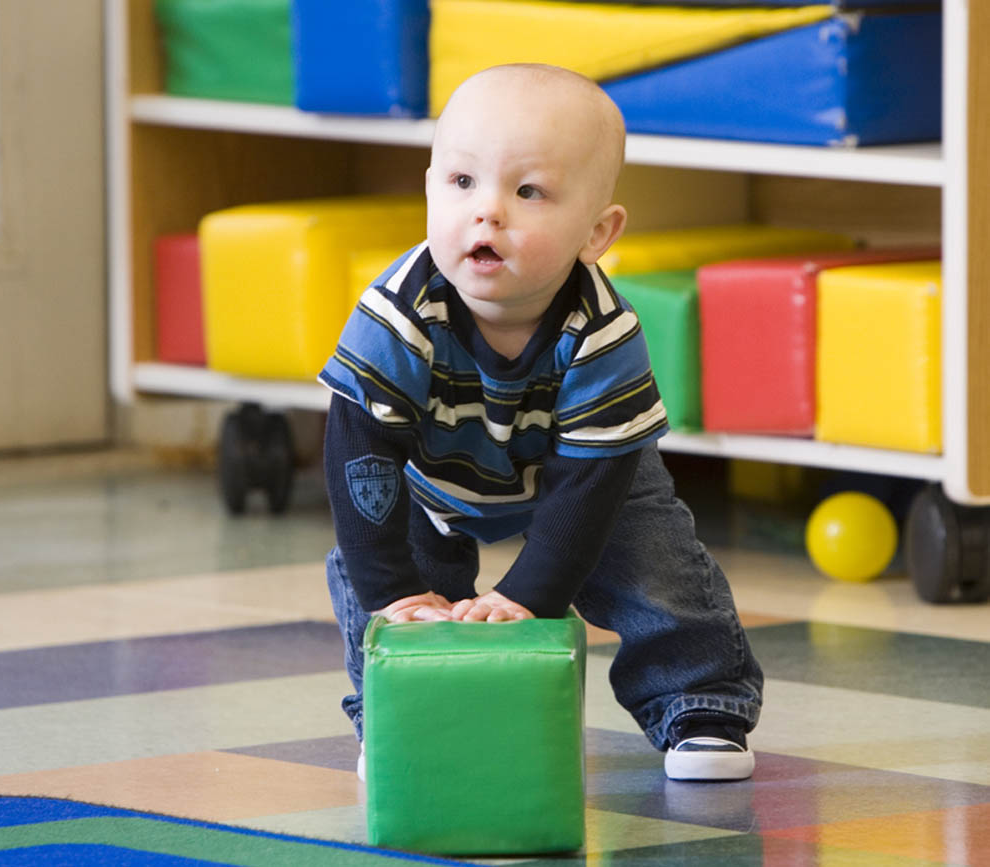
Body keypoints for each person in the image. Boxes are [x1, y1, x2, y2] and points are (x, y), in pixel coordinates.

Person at [318, 63, 763, 783]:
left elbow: (587, 486)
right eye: (461, 183)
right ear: (428, 185)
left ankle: (699, 702)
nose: (486, 212)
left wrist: (527, 595)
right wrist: (394, 591)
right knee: (380, 571)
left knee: (655, 565)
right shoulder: (397, 313)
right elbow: (358, 457)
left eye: (527, 192)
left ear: (596, 232)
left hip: (585, 472)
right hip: (428, 475)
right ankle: (399, 716)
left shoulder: (602, 330)